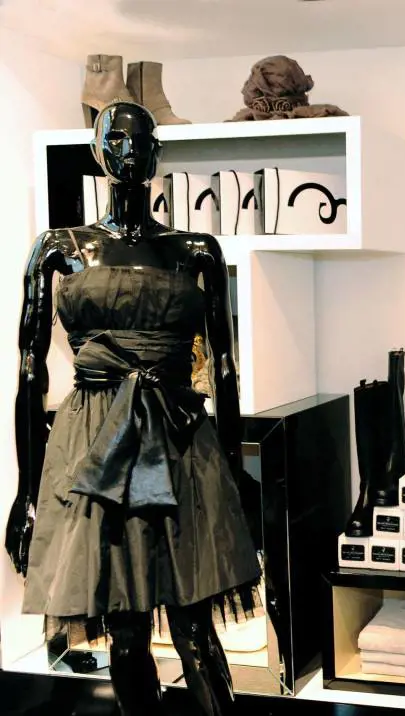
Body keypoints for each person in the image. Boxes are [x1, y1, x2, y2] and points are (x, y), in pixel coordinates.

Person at [4, 101, 261, 716]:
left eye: (140, 140)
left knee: (195, 623)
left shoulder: (196, 249)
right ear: (97, 152)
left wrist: (232, 472)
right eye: (114, 140)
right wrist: (28, 493)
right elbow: (30, 373)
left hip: (179, 441)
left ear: (157, 154)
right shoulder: (59, 248)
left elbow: (225, 367)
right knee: (124, 626)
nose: (128, 151)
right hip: (94, 445)